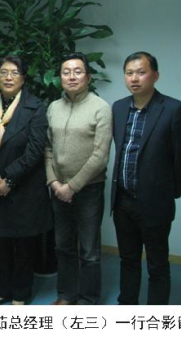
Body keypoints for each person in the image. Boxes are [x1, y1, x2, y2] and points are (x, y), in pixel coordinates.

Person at [111, 51, 181, 305]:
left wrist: (172, 190)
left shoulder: (174, 109)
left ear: (155, 75)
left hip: (155, 202)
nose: (134, 78)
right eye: (129, 73)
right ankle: (127, 306)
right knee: (128, 259)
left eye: (141, 72)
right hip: (123, 201)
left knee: (157, 265)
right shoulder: (119, 108)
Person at [0, 56, 52, 306]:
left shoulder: (36, 107)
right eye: (3, 72)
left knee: (23, 247)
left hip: (23, 188)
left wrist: (9, 180)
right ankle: (3, 290)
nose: (8, 77)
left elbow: (35, 150)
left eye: (14, 73)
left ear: (23, 78)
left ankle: (20, 296)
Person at [45, 52, 112, 305]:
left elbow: (100, 156)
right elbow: (48, 148)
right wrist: (54, 183)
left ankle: (88, 300)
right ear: (60, 77)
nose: (71, 76)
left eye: (77, 71)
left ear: (88, 77)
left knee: (89, 250)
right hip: (58, 189)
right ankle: (66, 295)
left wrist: (71, 187)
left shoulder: (100, 108)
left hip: (88, 190)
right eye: (66, 72)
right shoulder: (53, 107)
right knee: (62, 246)